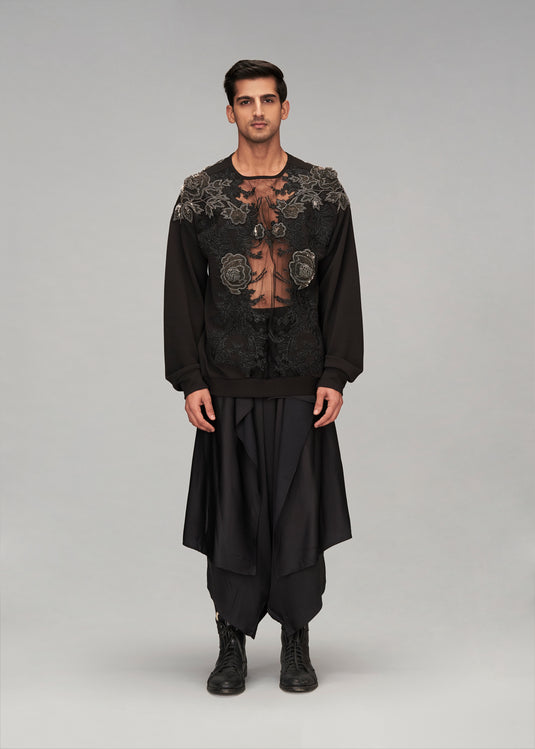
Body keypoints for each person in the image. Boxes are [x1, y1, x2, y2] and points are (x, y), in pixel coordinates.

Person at [163, 60, 364, 695]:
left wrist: (337, 371)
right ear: (230, 112)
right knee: (234, 517)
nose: (257, 111)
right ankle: (231, 642)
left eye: (268, 100)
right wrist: (190, 377)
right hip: (226, 381)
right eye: (245, 101)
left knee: (298, 516)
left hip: (303, 382)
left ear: (285, 108)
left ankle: (296, 641)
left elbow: (341, 285)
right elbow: (181, 292)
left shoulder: (322, 191)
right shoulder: (200, 194)